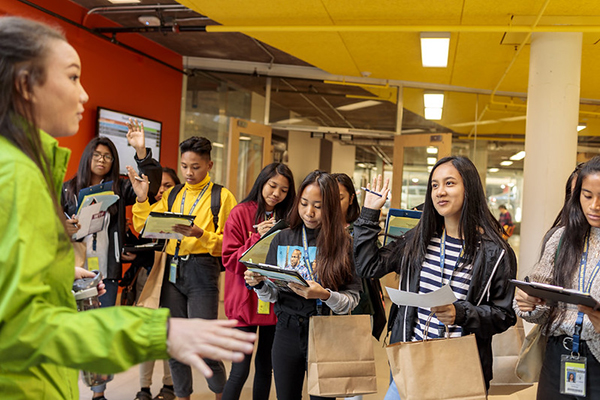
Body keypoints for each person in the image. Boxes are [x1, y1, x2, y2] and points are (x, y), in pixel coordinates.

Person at [0, 16, 255, 400]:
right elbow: (20, 328)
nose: (84, 94)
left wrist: (57, 273)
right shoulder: (14, 175)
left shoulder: (24, 167)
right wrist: (159, 331)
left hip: (199, 270)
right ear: (25, 85)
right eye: (72, 77)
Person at [353, 156, 517, 398]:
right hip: (410, 360)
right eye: (435, 185)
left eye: (450, 183)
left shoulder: (495, 253)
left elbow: (504, 315)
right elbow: (369, 267)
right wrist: (369, 214)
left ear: (469, 189)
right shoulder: (418, 239)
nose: (440, 192)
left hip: (460, 370)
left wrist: (461, 313)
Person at [129, 136, 237, 400]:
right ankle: (181, 396)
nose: (189, 173)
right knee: (175, 342)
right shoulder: (174, 193)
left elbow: (232, 245)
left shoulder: (222, 197)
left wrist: (202, 235)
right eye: (185, 166)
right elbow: (146, 228)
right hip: (171, 269)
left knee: (204, 343)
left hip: (203, 271)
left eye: (196, 167)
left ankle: (220, 394)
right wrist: (142, 200)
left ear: (209, 164)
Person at [244, 170, 362, 400]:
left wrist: (325, 295)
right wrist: (258, 285)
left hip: (326, 332)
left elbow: (352, 300)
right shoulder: (282, 238)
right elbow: (271, 296)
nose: (309, 212)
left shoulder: (343, 243)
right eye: (304, 203)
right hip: (286, 330)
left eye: (318, 206)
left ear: (330, 206)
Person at [515, 156, 600, 399]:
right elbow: (540, 301)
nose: (594, 205)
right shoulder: (562, 237)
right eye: (587, 196)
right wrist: (529, 304)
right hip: (558, 356)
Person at [221, 162, 296, 400]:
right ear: (262, 182)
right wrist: (257, 238)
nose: (276, 194)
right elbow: (230, 261)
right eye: (272, 186)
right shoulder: (240, 212)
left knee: (265, 368)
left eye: (283, 190)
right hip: (244, 303)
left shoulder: (288, 217)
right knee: (239, 370)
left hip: (274, 302)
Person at [133, 167, 181, 400]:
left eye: (168, 186)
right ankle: (143, 388)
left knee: (170, 334)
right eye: (159, 186)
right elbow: (138, 236)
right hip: (148, 277)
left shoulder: (183, 212)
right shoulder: (146, 210)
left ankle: (169, 386)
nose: (162, 190)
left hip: (173, 278)